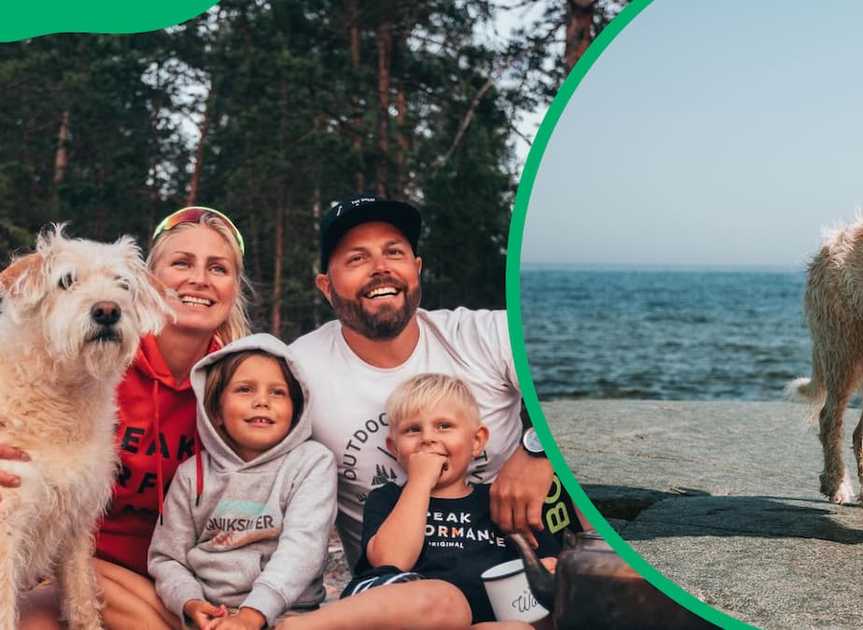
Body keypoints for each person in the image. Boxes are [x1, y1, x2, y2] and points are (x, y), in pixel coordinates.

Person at [290, 194, 561, 573]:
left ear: (417, 268)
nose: (380, 268)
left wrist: (539, 449)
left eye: (395, 253)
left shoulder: (482, 335)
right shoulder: (300, 370)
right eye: (357, 258)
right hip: (401, 592)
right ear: (325, 286)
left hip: (517, 564)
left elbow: (599, 380)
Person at [11, 207, 252, 630]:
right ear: (152, 283)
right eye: (181, 263)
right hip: (92, 571)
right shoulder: (89, 365)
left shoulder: (247, 381)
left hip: (187, 580)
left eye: (218, 268)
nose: (199, 279)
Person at [279, 373, 560, 630]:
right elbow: (391, 561)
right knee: (446, 600)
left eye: (444, 426)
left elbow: (547, 574)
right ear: (394, 448)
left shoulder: (496, 500)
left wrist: (549, 569)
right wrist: (420, 481)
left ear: (477, 441)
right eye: (413, 430)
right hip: (390, 611)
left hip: (480, 620)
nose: (428, 438)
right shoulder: (388, 497)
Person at [148, 333, 337, 630]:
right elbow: (167, 558)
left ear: (296, 410)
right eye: (245, 390)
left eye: (278, 392)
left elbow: (303, 548)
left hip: (290, 613)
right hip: (212, 614)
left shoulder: (311, 462)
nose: (262, 402)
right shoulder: (192, 473)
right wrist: (190, 602)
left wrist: (253, 615)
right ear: (216, 412)